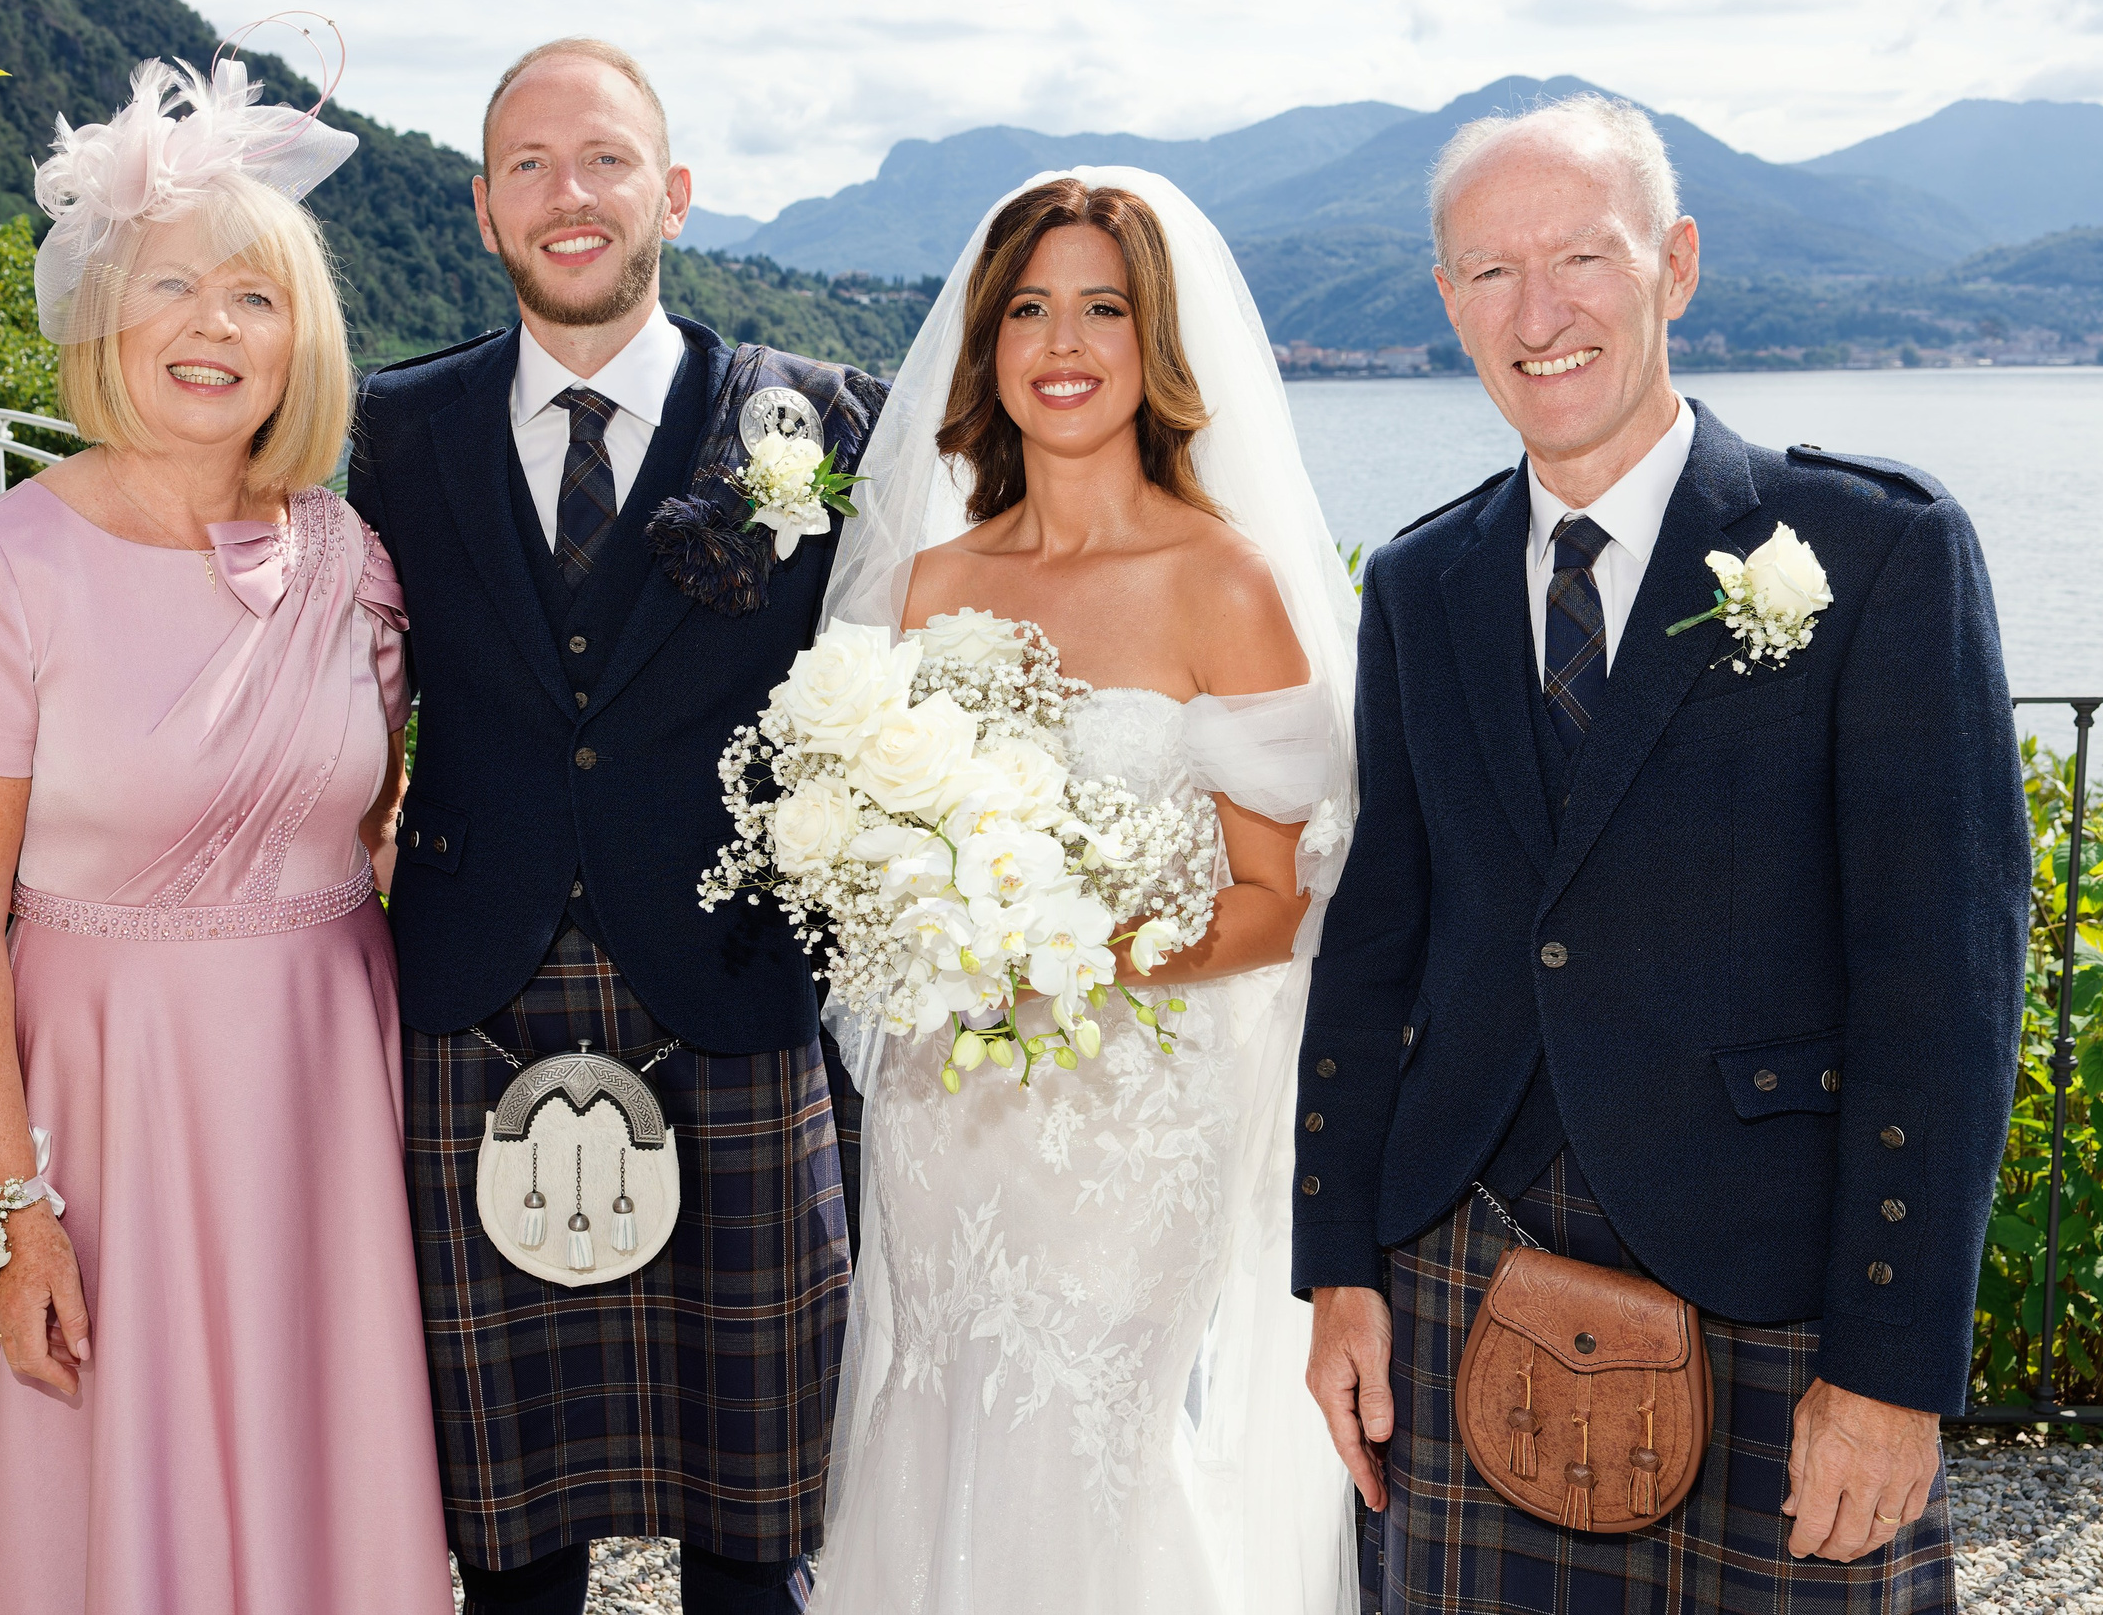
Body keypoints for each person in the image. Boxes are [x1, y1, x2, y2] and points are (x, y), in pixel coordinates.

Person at [1295, 93, 2027, 1613]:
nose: (1537, 312)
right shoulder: (1424, 580)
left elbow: (1939, 987)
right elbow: (1377, 947)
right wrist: (1340, 1268)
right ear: (1446, 299)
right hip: (1463, 1265)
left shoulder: (1877, 550)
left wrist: (1892, 1368)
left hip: (1770, 1286)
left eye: (1582, 257)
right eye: (1488, 272)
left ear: (1676, 266)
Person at [0, 58, 451, 1613]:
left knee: (323, 1474)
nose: (217, 326)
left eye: (256, 296)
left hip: (328, 1105)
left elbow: (383, 811)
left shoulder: (353, 558)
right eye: (176, 287)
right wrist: (9, 1210)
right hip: (104, 1115)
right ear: (102, 321)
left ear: (304, 337)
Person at [345, 38, 886, 1615]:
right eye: (527, 166)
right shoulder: (403, 428)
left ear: (675, 191)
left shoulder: (813, 417)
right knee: (507, 1547)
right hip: (475, 997)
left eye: (603, 160)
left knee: (753, 1539)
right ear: (481, 208)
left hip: (730, 995)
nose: (566, 195)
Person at [811, 170, 1359, 1615]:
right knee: (934, 1419)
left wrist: (1081, 955)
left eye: (1103, 308)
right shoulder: (922, 586)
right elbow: (867, 850)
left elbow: (1280, 895)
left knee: (1086, 1436)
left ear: (1153, 343)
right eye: (1032, 309)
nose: (1065, 340)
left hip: (1137, 1118)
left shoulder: (1221, 582)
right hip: (948, 1103)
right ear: (987, 344)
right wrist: (915, 926)